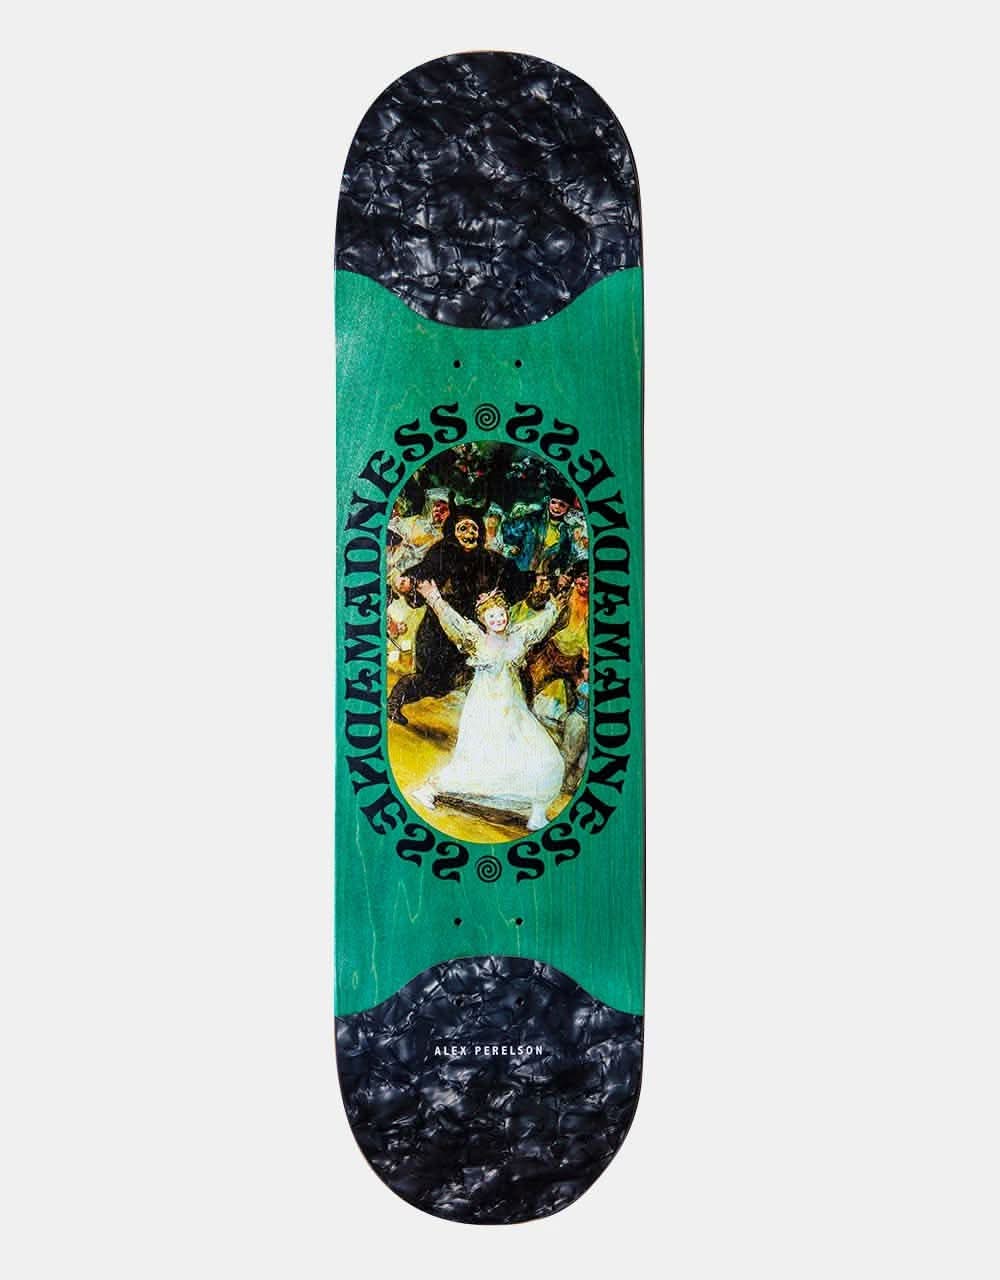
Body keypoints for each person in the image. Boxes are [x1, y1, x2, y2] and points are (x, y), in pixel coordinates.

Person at [409, 581, 566, 830]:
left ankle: (537, 813)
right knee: (480, 760)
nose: (497, 619)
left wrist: (554, 608)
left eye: (500, 614)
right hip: (484, 710)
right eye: (491, 616)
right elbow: (453, 622)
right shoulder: (476, 639)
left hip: (514, 710)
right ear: (483, 620)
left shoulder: (519, 636)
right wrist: (435, 598)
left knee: (545, 757)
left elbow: (540, 625)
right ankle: (429, 789)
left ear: (507, 614)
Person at [387, 505, 532, 723]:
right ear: (452, 531)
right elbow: (420, 575)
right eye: (463, 528)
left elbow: (515, 580)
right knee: (434, 683)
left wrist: (534, 582)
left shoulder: (490, 560)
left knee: (473, 679)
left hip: (470, 632)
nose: (469, 534)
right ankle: (394, 701)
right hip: (437, 633)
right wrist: (409, 584)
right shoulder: (440, 554)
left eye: (473, 529)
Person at [502, 482, 577, 575]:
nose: (556, 507)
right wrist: (514, 548)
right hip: (518, 570)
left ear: (568, 508)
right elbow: (508, 532)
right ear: (549, 502)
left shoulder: (566, 532)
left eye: (562, 505)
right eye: (553, 502)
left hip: (541, 576)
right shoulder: (533, 519)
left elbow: (565, 558)